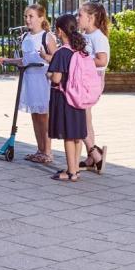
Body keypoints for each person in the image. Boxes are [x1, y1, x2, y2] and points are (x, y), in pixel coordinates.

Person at [0, 4, 56, 163]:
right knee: (35, 116)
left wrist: (46, 59)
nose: (27, 19)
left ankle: (48, 152)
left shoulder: (47, 37)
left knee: (44, 116)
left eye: (31, 16)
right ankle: (40, 150)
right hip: (29, 78)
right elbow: (25, 59)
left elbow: (57, 59)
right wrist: (8, 60)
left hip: (42, 79)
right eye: (26, 16)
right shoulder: (25, 37)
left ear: (41, 18)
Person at [47, 14, 89, 182]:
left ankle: (71, 172)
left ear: (59, 31)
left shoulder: (61, 53)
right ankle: (76, 168)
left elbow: (56, 78)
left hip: (65, 98)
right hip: (79, 97)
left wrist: (48, 74)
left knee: (68, 136)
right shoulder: (79, 50)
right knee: (77, 135)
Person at [77, 1, 110, 173]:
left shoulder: (98, 37)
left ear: (91, 18)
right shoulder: (85, 35)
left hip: (91, 82)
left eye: (80, 15)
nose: (77, 18)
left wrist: (82, 61)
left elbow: (102, 61)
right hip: (83, 80)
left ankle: (95, 154)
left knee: (80, 118)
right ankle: (91, 158)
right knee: (86, 119)